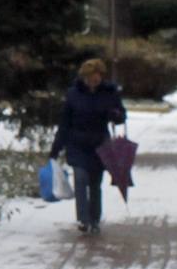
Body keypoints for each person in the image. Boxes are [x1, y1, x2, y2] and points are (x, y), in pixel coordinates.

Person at [49, 58, 128, 236]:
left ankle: (95, 219)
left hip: (100, 144)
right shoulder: (73, 94)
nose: (96, 78)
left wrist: (116, 114)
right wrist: (56, 148)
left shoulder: (109, 93)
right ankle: (83, 220)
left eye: (99, 74)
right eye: (92, 75)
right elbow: (64, 123)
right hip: (77, 143)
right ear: (85, 76)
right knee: (80, 179)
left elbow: (121, 116)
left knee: (95, 184)